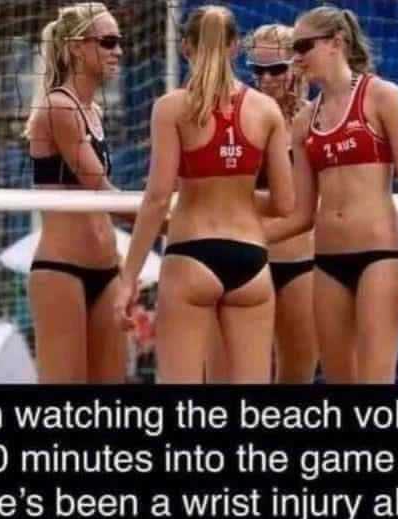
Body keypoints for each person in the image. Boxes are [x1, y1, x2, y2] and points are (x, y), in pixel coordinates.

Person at [115, 5, 294, 383]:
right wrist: (235, 192)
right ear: (235, 47)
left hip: (191, 255)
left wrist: (129, 278)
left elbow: (157, 198)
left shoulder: (171, 108)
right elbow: (284, 203)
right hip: (250, 260)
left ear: (186, 48)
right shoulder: (266, 110)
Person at [291, 6, 398, 383]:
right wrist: (242, 231)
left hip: (380, 255)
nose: (296, 58)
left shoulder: (382, 96)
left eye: (303, 46)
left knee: (375, 380)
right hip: (327, 261)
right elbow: (300, 214)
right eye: (293, 49)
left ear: (336, 43)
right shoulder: (304, 121)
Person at [207, 23, 318, 384]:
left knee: (297, 375)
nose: (266, 79)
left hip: (299, 261)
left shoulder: (317, 119)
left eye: (276, 69)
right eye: (258, 70)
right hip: (243, 257)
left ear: (296, 66)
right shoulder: (237, 115)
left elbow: (315, 201)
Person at [26, 2, 126, 383]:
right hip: (62, 270)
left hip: (108, 270)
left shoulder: (94, 111)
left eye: (119, 41)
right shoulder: (59, 107)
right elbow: (101, 190)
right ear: (77, 48)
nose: (118, 51)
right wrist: (171, 223)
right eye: (108, 42)